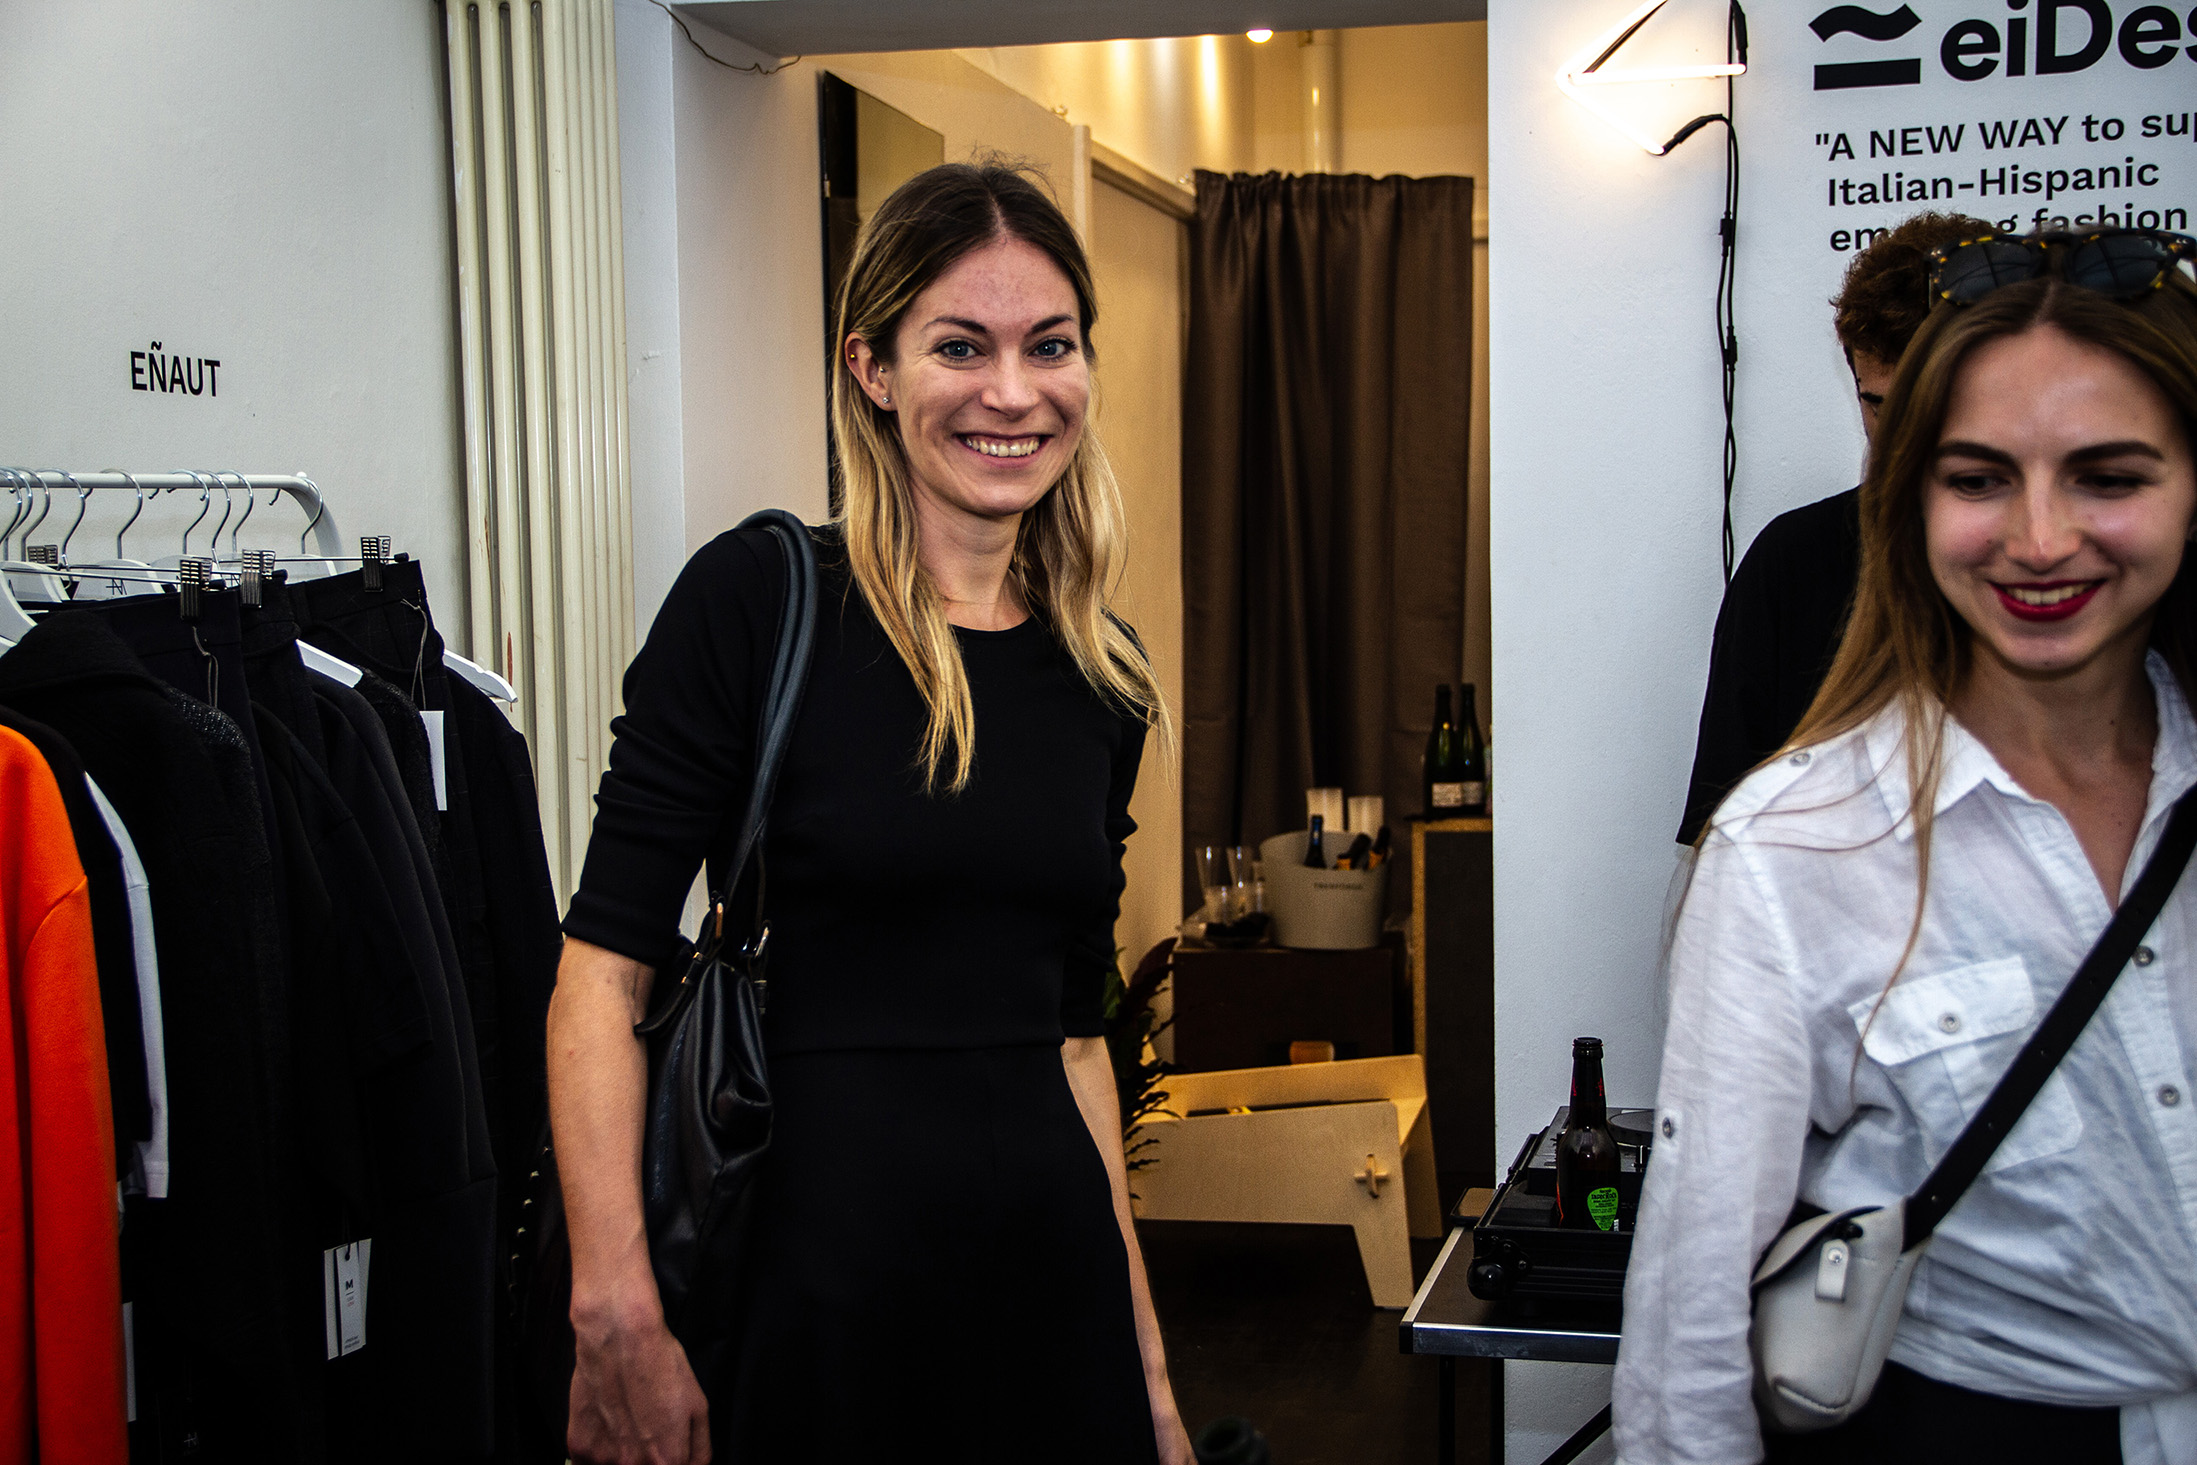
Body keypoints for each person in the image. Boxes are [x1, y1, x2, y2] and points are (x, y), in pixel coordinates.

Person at [548, 162, 1191, 1465]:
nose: (1012, 392)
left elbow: (1076, 1043)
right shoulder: (758, 600)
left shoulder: (1103, 674)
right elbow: (602, 974)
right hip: (813, 1301)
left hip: (1049, 1302)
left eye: (1049, 345)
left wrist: (1154, 1389)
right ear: (872, 368)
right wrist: (614, 1311)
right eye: (959, 346)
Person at [1617, 228, 2197, 1465]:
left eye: (2107, 475)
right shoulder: (1794, 845)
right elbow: (1690, 1332)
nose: (2040, 538)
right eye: (1977, 477)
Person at [1678, 211, 1994, 843]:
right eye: (1877, 405)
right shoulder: (1791, 562)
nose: (1901, 438)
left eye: (1931, 406)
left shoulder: (2070, 559)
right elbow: (1725, 827)